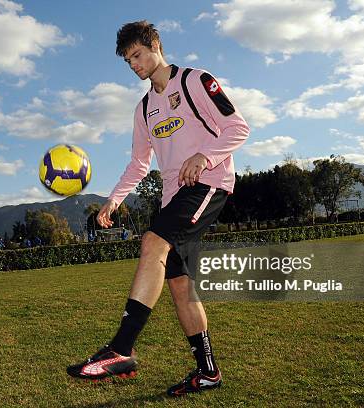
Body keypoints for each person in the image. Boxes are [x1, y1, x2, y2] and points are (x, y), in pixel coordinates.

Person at [67, 20, 250, 396]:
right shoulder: (144, 108)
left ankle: (121, 348)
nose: (133, 65)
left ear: (155, 46)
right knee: (181, 286)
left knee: (152, 243)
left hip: (208, 184)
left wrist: (204, 156)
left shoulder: (196, 81)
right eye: (127, 60)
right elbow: (138, 163)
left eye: (137, 55)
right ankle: (208, 372)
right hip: (173, 197)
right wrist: (115, 199)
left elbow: (238, 128)